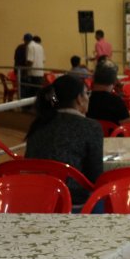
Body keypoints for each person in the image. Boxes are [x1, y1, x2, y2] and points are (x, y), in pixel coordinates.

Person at [25, 73, 102, 204]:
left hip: (37, 199)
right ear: (79, 99)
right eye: (87, 93)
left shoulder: (39, 124)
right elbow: (95, 177)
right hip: (73, 201)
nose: (88, 98)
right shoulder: (90, 127)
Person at [86, 61, 129, 126]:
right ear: (114, 81)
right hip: (112, 136)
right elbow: (127, 126)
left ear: (94, 79)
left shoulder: (85, 100)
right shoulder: (117, 102)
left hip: (90, 135)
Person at [24, 34, 45, 99]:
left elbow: (30, 61)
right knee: (38, 92)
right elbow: (43, 60)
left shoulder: (30, 46)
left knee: (31, 93)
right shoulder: (40, 46)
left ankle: (31, 108)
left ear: (26, 40)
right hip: (40, 73)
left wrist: (25, 70)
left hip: (32, 73)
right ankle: (39, 107)